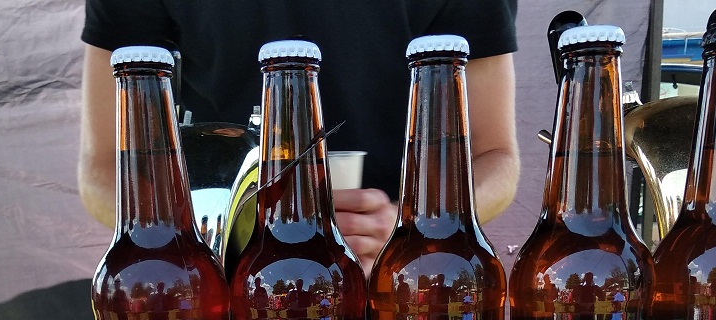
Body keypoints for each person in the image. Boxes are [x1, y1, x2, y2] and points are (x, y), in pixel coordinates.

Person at [78, 1, 520, 276]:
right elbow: (103, 171)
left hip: (399, 286)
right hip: (223, 292)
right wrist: (202, 240)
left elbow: (494, 156)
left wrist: (413, 228)